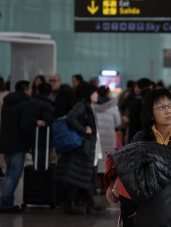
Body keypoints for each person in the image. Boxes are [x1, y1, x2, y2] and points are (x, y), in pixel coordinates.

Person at [55, 82, 103, 215]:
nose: (96, 94)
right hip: (82, 146)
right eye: (94, 92)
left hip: (89, 145)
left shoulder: (88, 105)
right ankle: (70, 205)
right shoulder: (81, 105)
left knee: (87, 174)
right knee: (75, 175)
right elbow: (70, 118)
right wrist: (83, 129)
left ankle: (89, 203)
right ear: (88, 94)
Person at [0, 80, 32, 213]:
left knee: (8, 174)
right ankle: (6, 204)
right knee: (14, 175)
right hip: (18, 144)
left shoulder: (7, 103)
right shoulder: (25, 104)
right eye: (30, 89)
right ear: (25, 90)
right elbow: (25, 126)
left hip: (6, 143)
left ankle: (5, 202)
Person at [92, 85, 121, 190]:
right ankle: (106, 186)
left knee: (97, 160)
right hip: (109, 137)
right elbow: (118, 122)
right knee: (108, 161)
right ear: (108, 94)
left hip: (97, 137)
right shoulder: (113, 106)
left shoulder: (93, 106)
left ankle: (96, 186)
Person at [28, 82, 55, 168]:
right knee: (43, 164)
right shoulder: (48, 105)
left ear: (37, 91)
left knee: (36, 161)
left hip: (32, 137)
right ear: (50, 94)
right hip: (44, 139)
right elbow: (48, 121)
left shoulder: (30, 102)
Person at [120, 78, 152, 142]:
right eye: (135, 87)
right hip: (135, 129)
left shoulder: (136, 100)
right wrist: (123, 116)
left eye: (138, 87)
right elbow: (121, 107)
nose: (137, 89)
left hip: (136, 130)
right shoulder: (131, 97)